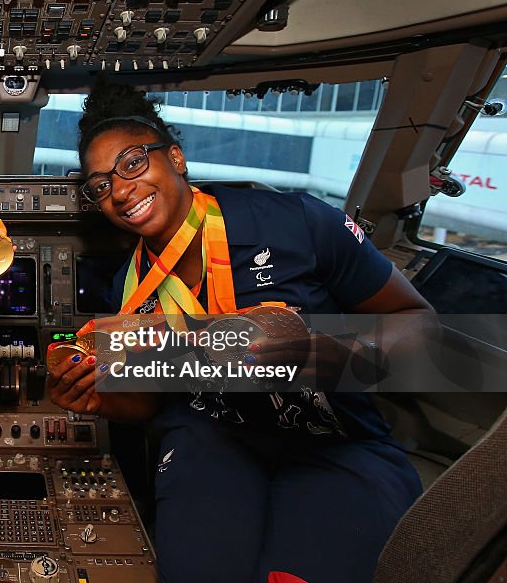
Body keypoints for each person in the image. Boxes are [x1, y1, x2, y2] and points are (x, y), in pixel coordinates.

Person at [49, 82, 435, 583]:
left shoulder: (295, 222)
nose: (120, 190)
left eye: (133, 163)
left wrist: (338, 357)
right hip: (210, 435)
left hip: (331, 437)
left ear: (177, 158)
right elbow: (148, 402)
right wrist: (99, 398)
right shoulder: (130, 289)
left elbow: (416, 319)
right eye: (100, 185)